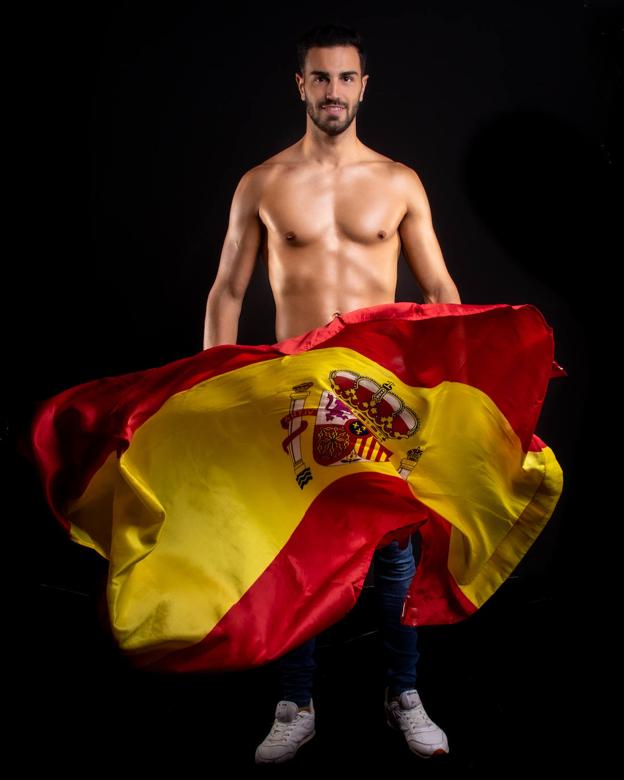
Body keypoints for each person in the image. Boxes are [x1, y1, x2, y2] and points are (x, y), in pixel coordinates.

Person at [202, 23, 460, 764]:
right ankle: (296, 703)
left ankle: (403, 693)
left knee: (395, 554)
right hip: (295, 393)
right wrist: (213, 388)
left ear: (363, 88)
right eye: (321, 78)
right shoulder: (263, 182)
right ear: (301, 86)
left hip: (382, 391)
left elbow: (438, 286)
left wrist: (451, 376)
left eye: (346, 78)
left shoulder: (399, 181)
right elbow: (227, 292)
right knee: (299, 552)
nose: (334, 92)